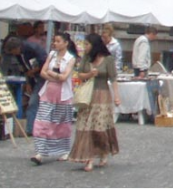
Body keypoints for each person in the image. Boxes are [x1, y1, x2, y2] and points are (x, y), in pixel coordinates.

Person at [69, 33, 120, 172]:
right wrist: (89, 74)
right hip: (87, 96)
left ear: (95, 45)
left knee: (99, 127)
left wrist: (117, 96)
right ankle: (89, 157)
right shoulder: (86, 58)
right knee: (86, 126)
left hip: (102, 95)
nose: (84, 47)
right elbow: (79, 74)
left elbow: (113, 78)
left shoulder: (108, 59)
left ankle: (103, 152)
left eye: (87, 44)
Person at [30, 33, 76, 165]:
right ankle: (40, 152)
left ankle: (64, 150)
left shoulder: (70, 58)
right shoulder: (51, 55)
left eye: (58, 41)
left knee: (61, 124)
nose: (55, 43)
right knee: (42, 122)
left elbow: (64, 77)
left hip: (62, 95)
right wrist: (53, 76)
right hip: (48, 92)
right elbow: (43, 72)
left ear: (66, 43)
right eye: (54, 41)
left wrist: (51, 74)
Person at [3, 36, 48, 135]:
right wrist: (28, 81)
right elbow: (25, 68)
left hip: (42, 76)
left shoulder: (31, 48)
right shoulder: (20, 55)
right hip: (32, 77)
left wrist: (33, 71)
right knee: (34, 102)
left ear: (16, 48)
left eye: (13, 52)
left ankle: (30, 129)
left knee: (33, 102)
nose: (13, 55)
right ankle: (34, 127)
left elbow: (44, 62)